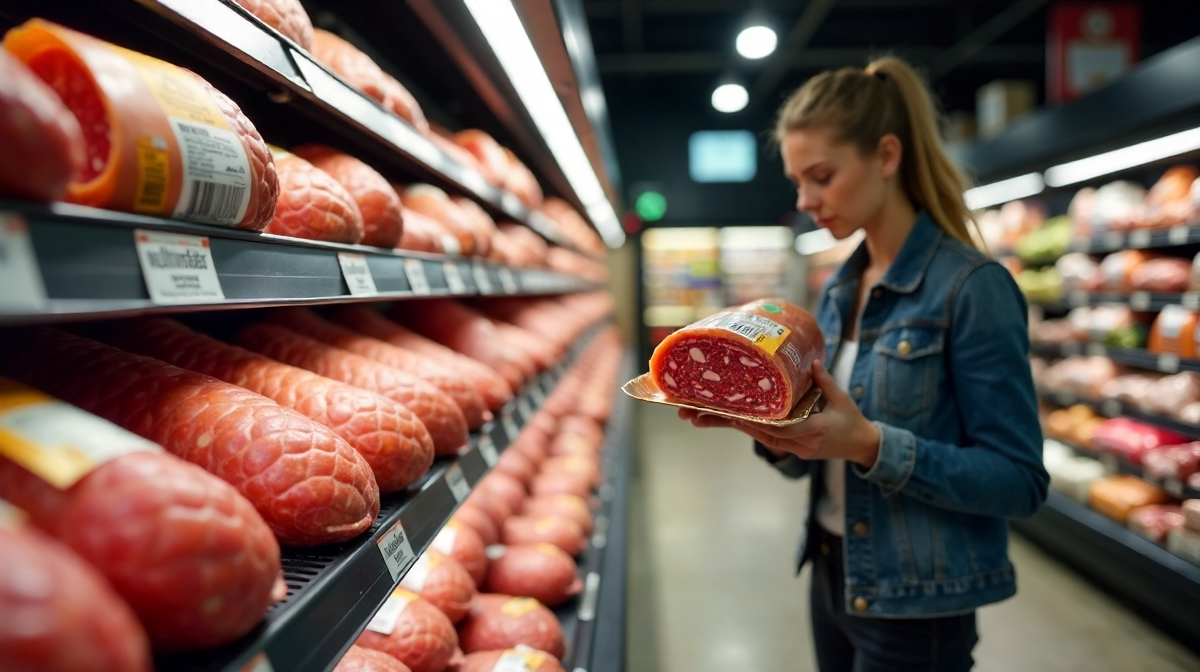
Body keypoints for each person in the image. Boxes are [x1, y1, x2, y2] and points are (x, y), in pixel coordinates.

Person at [678, 57, 1048, 672]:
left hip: (917, 602)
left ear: (886, 155)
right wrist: (773, 433)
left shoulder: (971, 289)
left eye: (821, 176)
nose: (806, 200)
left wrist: (871, 444)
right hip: (831, 569)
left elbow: (1019, 481)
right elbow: (816, 455)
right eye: (798, 181)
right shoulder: (837, 292)